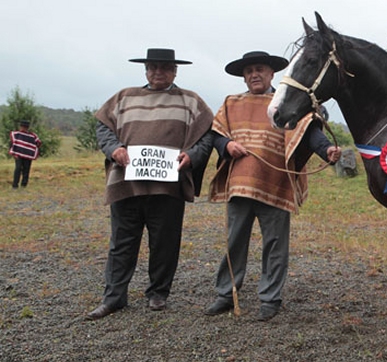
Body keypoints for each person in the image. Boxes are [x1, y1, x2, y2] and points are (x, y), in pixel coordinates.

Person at [204, 51, 341, 321]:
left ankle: (270, 298)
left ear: (271, 74)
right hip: (240, 185)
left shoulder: (286, 102)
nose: (254, 74)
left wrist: (326, 151)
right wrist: (227, 145)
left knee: (276, 245)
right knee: (234, 242)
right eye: (249, 71)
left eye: (259, 69)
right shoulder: (231, 103)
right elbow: (216, 133)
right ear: (244, 77)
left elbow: (308, 131)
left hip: (276, 184)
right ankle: (225, 294)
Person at [86, 48, 214, 320]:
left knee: (165, 243)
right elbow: (103, 128)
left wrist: (193, 156)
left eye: (165, 68)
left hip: (167, 187)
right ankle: (114, 297)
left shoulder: (191, 101)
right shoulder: (123, 97)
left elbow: (207, 136)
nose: (158, 72)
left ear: (175, 71)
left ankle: (158, 294)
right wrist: (114, 149)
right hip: (126, 184)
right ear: (145, 69)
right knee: (121, 243)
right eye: (153, 67)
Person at [9, 120, 41, 189]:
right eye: (23, 126)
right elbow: (12, 144)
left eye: (25, 127)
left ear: (27, 127)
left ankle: (24, 185)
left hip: (28, 156)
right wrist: (14, 154)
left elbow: (38, 143)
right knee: (18, 169)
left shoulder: (32, 136)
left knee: (26, 170)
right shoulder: (16, 134)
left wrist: (32, 150)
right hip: (18, 155)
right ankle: (15, 185)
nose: (23, 128)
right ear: (20, 126)